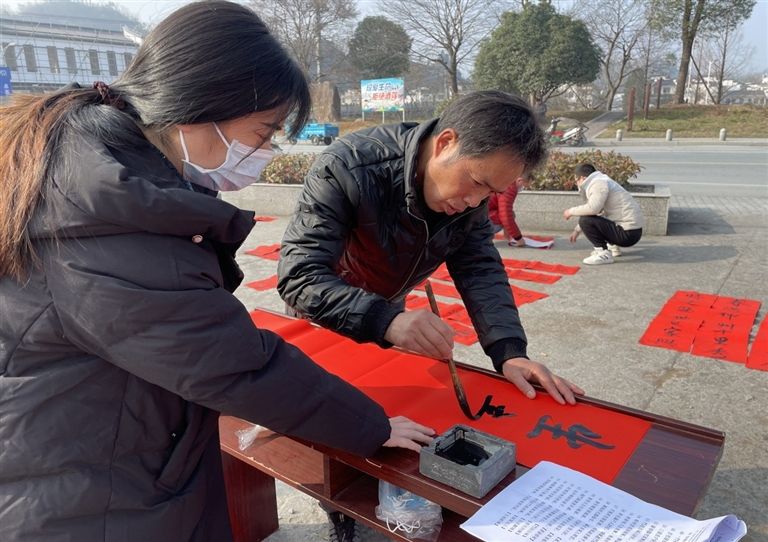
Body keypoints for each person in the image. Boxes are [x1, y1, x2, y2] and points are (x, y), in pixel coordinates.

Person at [0, 2, 434, 541]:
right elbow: (230, 363)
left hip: (99, 442)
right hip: (90, 492)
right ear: (199, 106)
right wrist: (369, 425)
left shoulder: (93, 171)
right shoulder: (111, 221)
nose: (266, 151)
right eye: (263, 130)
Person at [278, 90, 583, 406]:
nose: (475, 202)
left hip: (386, 310)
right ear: (445, 143)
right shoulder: (348, 166)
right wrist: (387, 320)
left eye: (490, 193)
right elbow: (300, 275)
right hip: (322, 311)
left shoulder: (467, 198)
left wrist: (509, 351)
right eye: (478, 183)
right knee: (322, 414)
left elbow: (479, 267)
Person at [564, 163, 645, 265]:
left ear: (583, 178)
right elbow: (598, 212)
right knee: (593, 217)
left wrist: (570, 211)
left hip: (627, 233)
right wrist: (577, 231)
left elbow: (593, 209)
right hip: (630, 231)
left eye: (576, 180)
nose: (576, 184)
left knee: (585, 220)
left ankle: (603, 253)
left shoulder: (598, 183)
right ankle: (612, 247)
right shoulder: (602, 181)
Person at [488, 176, 528, 247]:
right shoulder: (509, 188)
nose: (523, 188)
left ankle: (507, 237)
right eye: (524, 186)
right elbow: (506, 215)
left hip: (478, 216)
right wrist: (519, 238)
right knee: (508, 215)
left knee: (510, 213)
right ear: (519, 181)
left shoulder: (504, 180)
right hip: (480, 222)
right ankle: (482, 235)